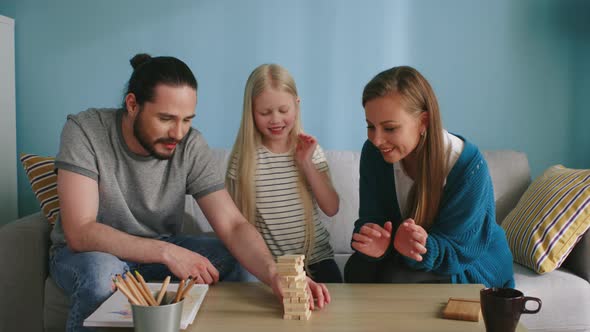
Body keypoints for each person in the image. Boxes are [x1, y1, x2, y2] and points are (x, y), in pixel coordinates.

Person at [49, 54, 330, 332]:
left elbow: (233, 225)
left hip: (161, 248)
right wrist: (167, 252)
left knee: (235, 258)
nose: (178, 133)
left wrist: (274, 274)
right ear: (132, 104)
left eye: (187, 120)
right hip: (92, 255)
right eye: (166, 118)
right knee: (101, 275)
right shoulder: (85, 130)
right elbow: (81, 231)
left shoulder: (190, 145)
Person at [344, 66, 514, 288]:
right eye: (370, 126)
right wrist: (375, 243)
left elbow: (459, 252)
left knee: (396, 278)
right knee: (356, 269)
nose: (376, 140)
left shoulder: (468, 166)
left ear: (423, 121)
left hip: (468, 262)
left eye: (390, 128)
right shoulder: (374, 154)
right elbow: (370, 218)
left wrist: (418, 247)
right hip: (404, 252)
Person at [225, 64, 342, 283]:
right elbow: (234, 224)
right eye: (265, 112)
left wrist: (306, 163)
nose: (276, 120)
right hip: (269, 267)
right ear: (250, 111)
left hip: (316, 261)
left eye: (283, 110)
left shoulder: (310, 150)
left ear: (296, 106)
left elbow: (332, 207)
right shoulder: (243, 159)